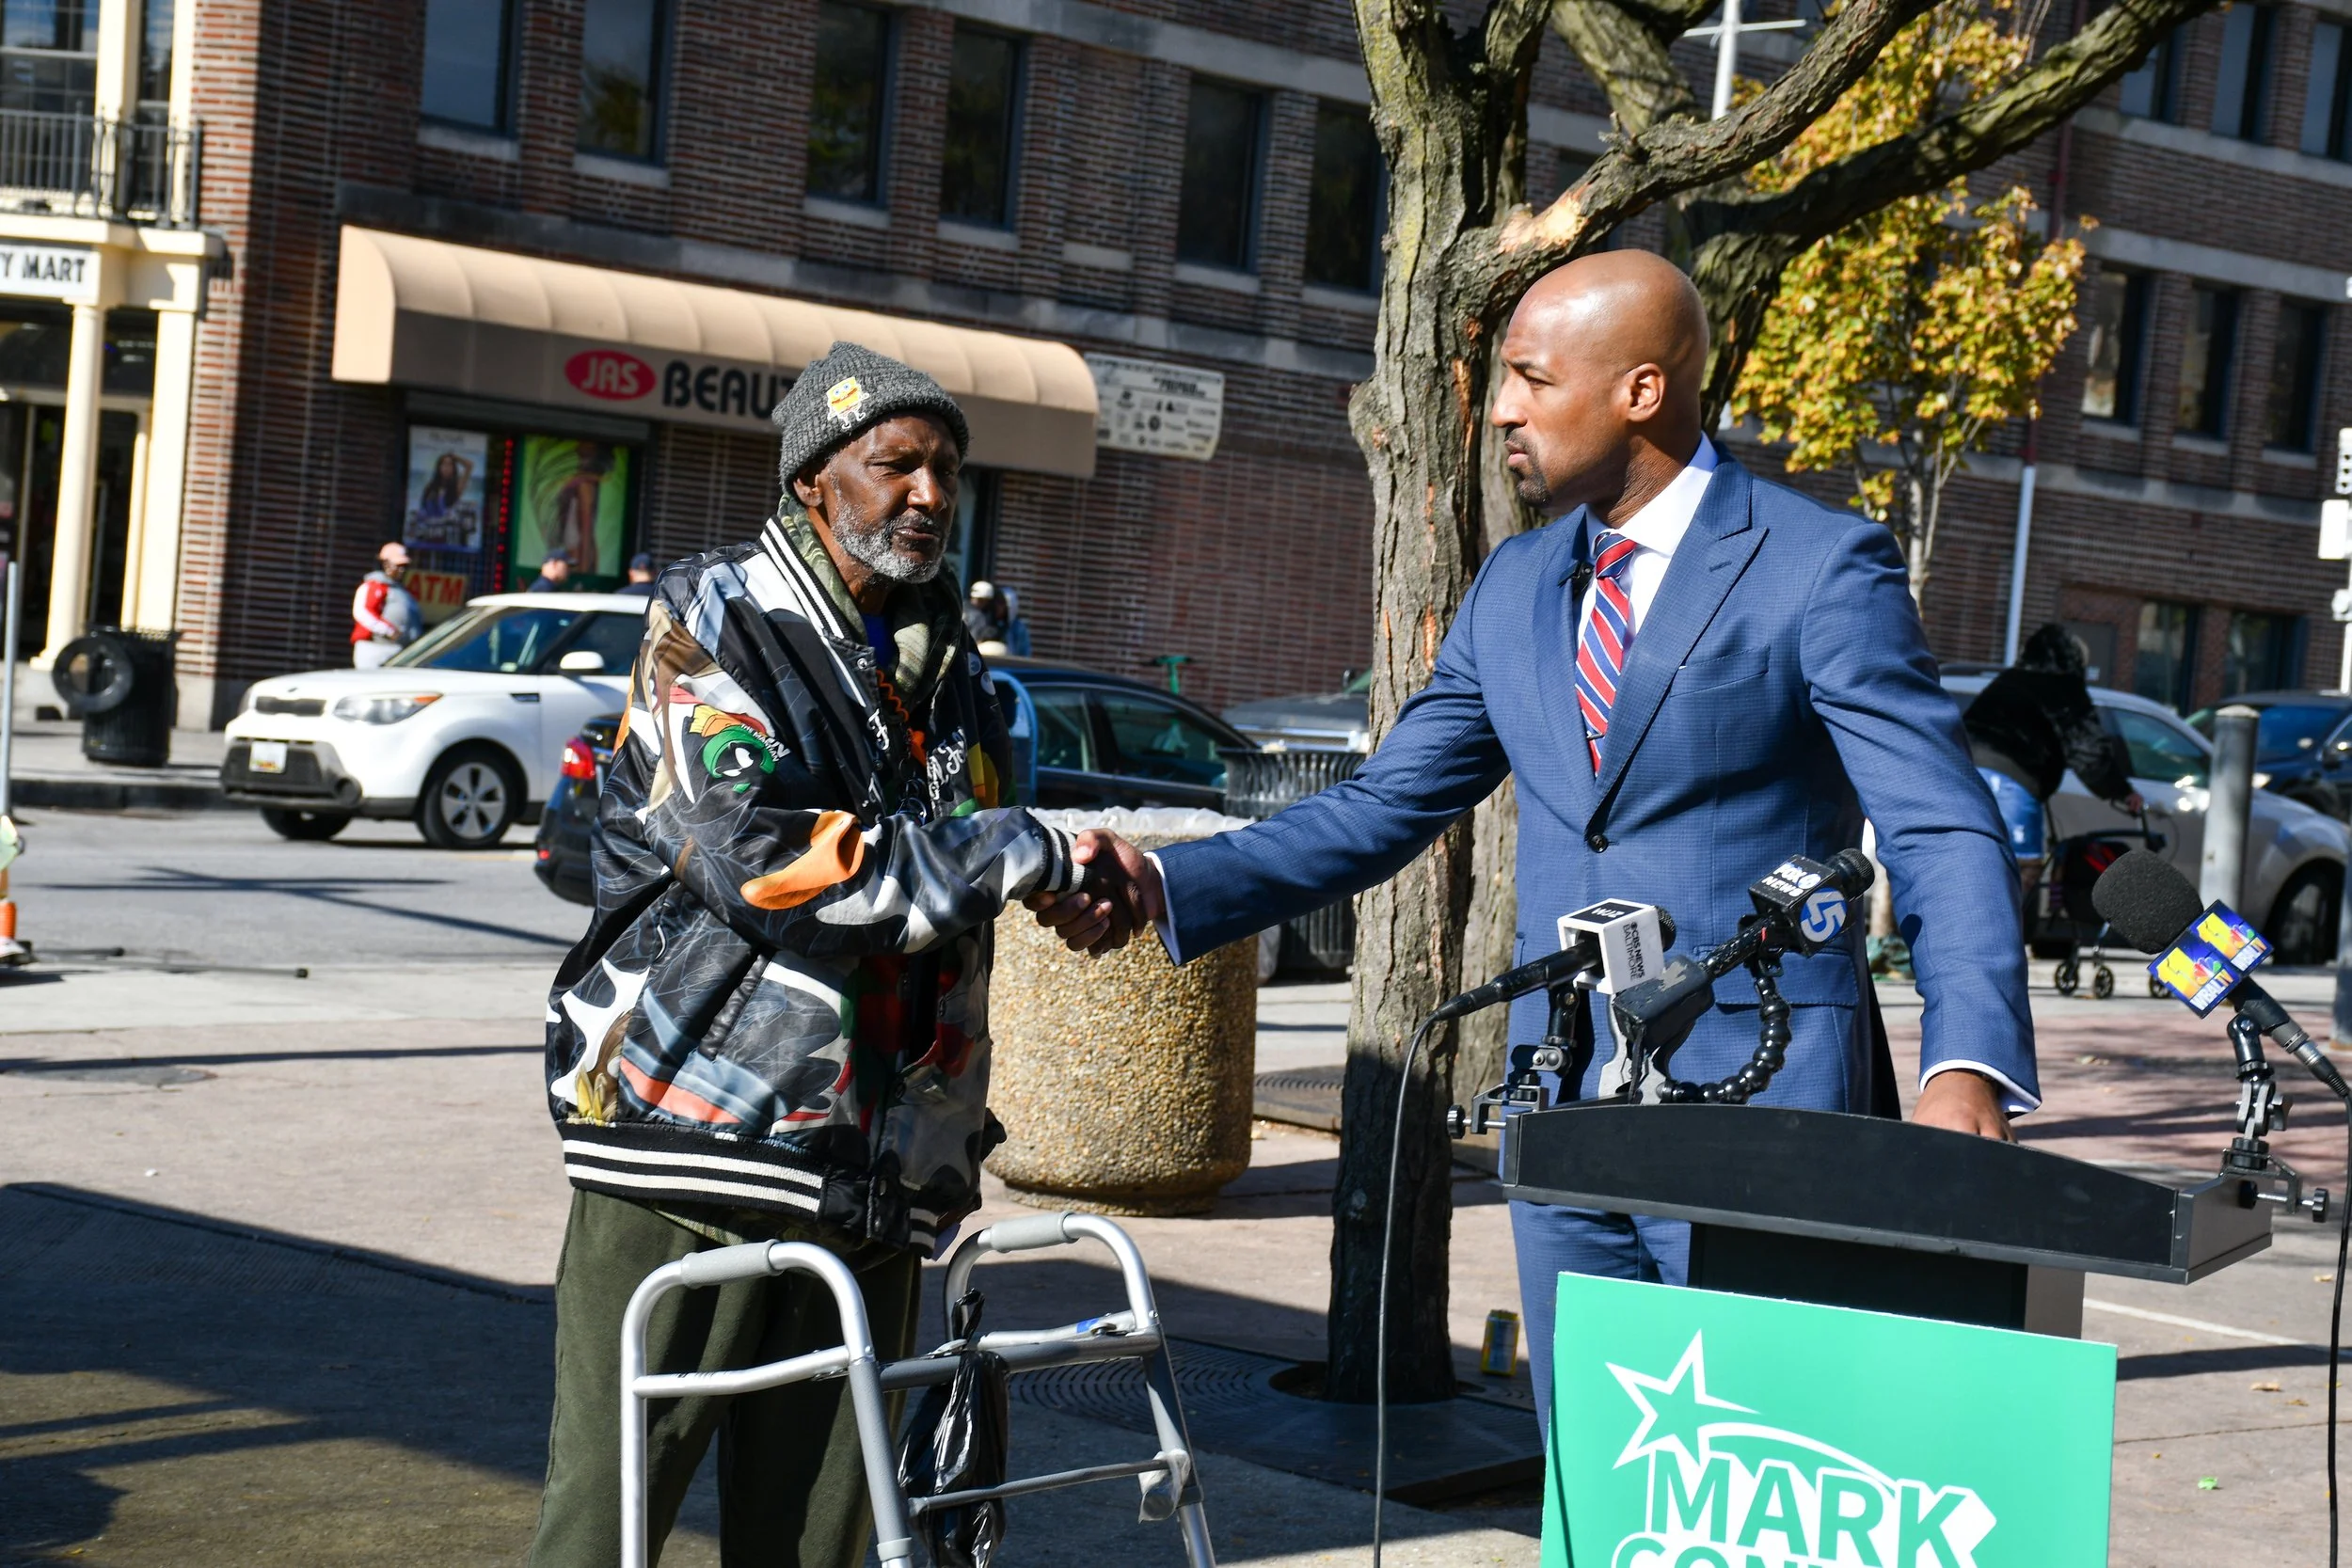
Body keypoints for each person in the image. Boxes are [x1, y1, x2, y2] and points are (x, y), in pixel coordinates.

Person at [1031, 251, 2037, 1434]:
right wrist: (1164, 878)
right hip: (1559, 1102)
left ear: (1641, 392)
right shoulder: (1511, 584)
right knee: (1603, 1475)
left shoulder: (1819, 565)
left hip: (1764, 1105)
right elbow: (1381, 805)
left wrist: (1963, 1061)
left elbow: (1935, 818)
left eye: (1530, 378)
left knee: (1758, 1472)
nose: (1501, 409)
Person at [528, 341, 1136, 1568]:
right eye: (895, 463)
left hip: (876, 1171)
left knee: (824, 1540)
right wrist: (1016, 852)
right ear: (816, 479)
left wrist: (1051, 883)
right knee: (610, 1527)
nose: (928, 492)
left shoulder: (947, 666)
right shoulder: (712, 616)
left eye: (946, 469)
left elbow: (955, 870)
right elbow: (751, 853)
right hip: (693, 1155)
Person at [1963, 622, 2143, 909]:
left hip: (1965, 776)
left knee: (1973, 863)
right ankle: (1997, 942)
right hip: (2012, 784)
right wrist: (2121, 791)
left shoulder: (2008, 680)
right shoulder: (2063, 687)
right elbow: (2089, 753)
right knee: (2020, 871)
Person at [349, 541, 421, 668]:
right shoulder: (375, 585)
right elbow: (362, 612)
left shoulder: (401, 591)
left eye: (405, 566)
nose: (402, 570)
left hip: (397, 650)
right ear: (386, 564)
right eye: (398, 565)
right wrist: (388, 630)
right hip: (376, 649)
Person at [963, 578, 1006, 645]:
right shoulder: (963, 610)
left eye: (983, 600)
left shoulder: (988, 615)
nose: (980, 603)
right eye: (978, 599)